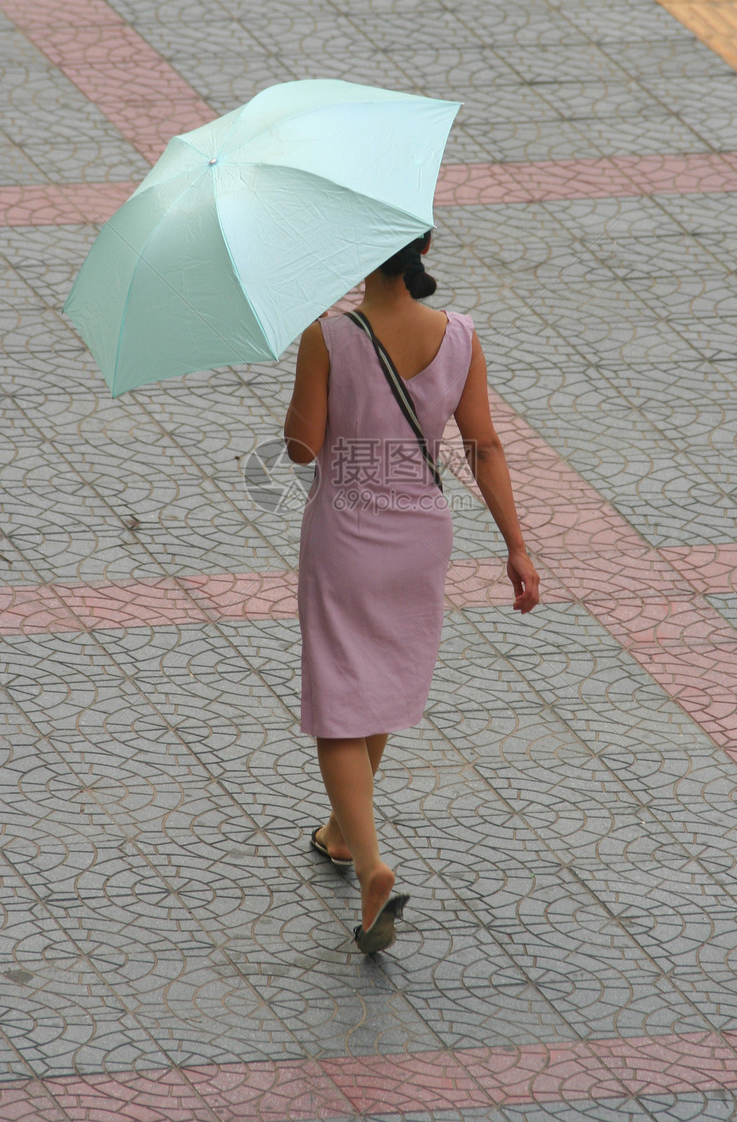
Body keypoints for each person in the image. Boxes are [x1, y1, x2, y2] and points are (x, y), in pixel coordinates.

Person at [284, 231, 540, 954]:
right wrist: (517, 547)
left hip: (346, 536)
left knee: (339, 698)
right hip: (421, 539)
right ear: (424, 243)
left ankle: (370, 864)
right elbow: (483, 445)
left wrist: (311, 353)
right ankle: (340, 831)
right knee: (385, 680)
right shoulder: (459, 335)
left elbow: (302, 449)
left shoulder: (328, 335)